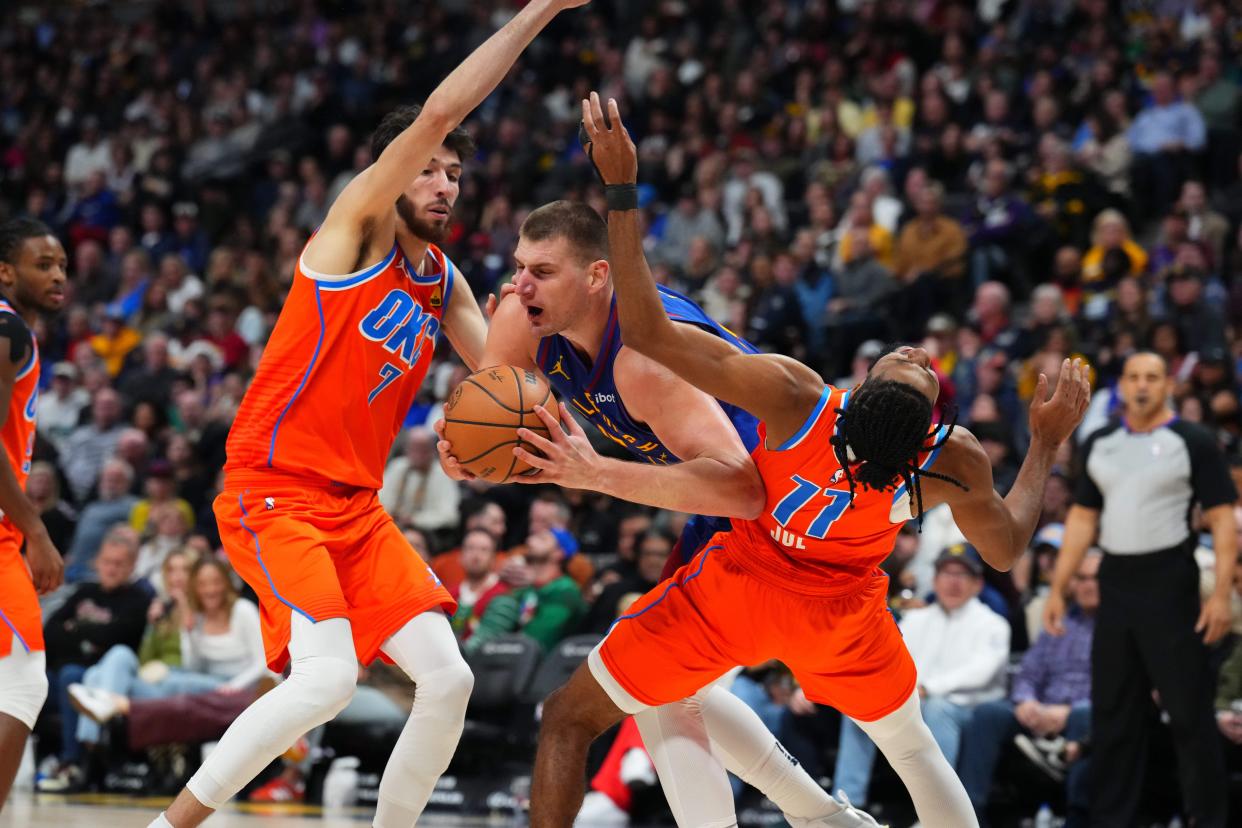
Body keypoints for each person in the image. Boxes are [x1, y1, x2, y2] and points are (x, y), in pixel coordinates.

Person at [528, 93, 1091, 828]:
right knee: (913, 747)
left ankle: (816, 812)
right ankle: (821, 816)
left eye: (910, 365)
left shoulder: (802, 400)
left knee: (621, 706)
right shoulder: (947, 459)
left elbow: (649, 331)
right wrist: (1045, 443)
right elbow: (1009, 547)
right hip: (843, 613)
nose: (917, 353)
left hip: (743, 579)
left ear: (862, 391)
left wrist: (624, 191)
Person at [149, 3, 590, 826]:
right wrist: (539, 13)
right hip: (273, 489)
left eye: (454, 176)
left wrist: (487, 440)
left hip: (355, 507)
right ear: (395, 171)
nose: (443, 184)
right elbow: (441, 112)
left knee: (449, 679)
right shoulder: (350, 235)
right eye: (428, 169)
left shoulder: (442, 281)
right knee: (327, 678)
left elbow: (498, 384)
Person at [439, 201, 868, 823]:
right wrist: (468, 456)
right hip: (719, 501)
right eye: (519, 267)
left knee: (641, 691)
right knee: (667, 690)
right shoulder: (526, 313)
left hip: (782, 501)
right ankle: (824, 817)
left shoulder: (644, 359)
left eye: (543, 270)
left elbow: (744, 490)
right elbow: (493, 408)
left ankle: (823, 814)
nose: (520, 284)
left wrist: (598, 475)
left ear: (597, 277)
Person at [1044, 352, 1236, 828]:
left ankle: (1208, 819)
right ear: (1122, 386)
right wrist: (1058, 587)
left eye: (1152, 376)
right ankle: (1113, 820)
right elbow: (1083, 520)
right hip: (1115, 582)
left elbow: (1222, 519)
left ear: (1168, 384)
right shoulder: (1101, 442)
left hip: (1170, 581)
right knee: (1114, 714)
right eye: (1134, 377)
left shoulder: (1191, 440)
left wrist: (1220, 596)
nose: (1143, 385)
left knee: (1188, 714)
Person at [833, 544, 1011, 808]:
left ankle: (938, 814)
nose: (953, 582)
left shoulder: (993, 624)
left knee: (939, 709)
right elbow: (888, 657)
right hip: (916, 699)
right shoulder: (917, 619)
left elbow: (981, 672)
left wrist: (927, 687)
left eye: (962, 575)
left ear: (977, 583)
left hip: (967, 709)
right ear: (935, 580)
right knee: (859, 708)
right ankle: (847, 805)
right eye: (947, 573)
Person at [0, 217, 67, 811]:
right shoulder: (8, 329)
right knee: (22, 683)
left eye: (63, 265)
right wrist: (36, 531)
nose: (57, 275)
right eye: (42, 264)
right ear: (5, 270)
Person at [961, 549, 1099, 826]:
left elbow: (1119, 685)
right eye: (1081, 578)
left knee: (1086, 716)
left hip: (1083, 713)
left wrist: (1066, 711)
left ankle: (1077, 818)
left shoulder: (1121, 628)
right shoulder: (1058, 621)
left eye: (1096, 578)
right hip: (1039, 710)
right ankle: (967, 815)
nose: (1088, 585)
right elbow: (1028, 672)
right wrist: (1026, 701)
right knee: (988, 714)